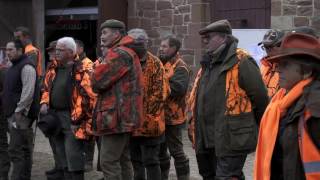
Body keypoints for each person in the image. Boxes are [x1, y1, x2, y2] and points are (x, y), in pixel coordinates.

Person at [188, 19, 269, 180]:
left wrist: (261, 129)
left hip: (232, 137)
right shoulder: (207, 62)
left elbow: (260, 98)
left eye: (208, 37)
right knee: (209, 175)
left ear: (224, 38)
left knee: (227, 176)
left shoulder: (242, 61)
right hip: (205, 137)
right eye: (203, 38)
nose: (204, 41)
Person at [254, 33, 320, 180]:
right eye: (278, 65)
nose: (278, 70)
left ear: (307, 71)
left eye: (285, 65)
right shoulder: (282, 101)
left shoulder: (314, 107)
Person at [92, 19, 144, 180]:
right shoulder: (127, 51)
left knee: (108, 161)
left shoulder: (119, 53)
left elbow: (97, 81)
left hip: (116, 116)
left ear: (117, 34)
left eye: (105, 32)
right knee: (122, 159)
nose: (102, 36)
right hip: (123, 115)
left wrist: (94, 72)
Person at [40, 37, 96, 180]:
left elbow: (86, 97)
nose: (56, 52)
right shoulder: (53, 67)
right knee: (60, 154)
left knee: (74, 156)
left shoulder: (82, 68)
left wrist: (75, 120)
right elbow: (46, 88)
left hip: (72, 118)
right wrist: (44, 102)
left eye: (60, 50)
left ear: (71, 52)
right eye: (56, 49)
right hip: (55, 116)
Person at [127, 28, 169, 180]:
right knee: (135, 161)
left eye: (137, 43)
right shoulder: (127, 61)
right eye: (130, 43)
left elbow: (160, 93)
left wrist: (142, 114)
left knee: (151, 161)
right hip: (130, 122)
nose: (133, 46)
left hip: (151, 123)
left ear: (145, 44)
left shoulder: (155, 63)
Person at [3, 39, 37, 180]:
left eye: (10, 49)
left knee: (18, 149)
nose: (7, 52)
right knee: (21, 149)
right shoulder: (14, 66)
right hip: (13, 113)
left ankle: (19, 177)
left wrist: (19, 110)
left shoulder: (27, 67)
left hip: (21, 115)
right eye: (7, 49)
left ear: (19, 50)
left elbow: (28, 92)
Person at [158, 36, 191, 180]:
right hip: (159, 116)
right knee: (160, 151)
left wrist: (158, 86)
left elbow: (179, 88)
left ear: (174, 48)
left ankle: (183, 177)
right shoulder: (160, 64)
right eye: (161, 45)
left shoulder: (181, 66)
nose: (161, 48)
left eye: (164, 46)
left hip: (174, 117)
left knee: (176, 151)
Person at [75, 39, 95, 172]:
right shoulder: (73, 64)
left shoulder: (87, 64)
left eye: (74, 48)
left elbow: (88, 88)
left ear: (81, 49)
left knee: (88, 134)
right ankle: (79, 160)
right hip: (75, 103)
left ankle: (88, 161)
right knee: (78, 133)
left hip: (86, 103)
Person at [259, 29, 285, 97]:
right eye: (265, 47)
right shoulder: (264, 64)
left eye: (270, 47)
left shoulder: (288, 67)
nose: (267, 51)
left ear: (282, 45)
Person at [0, 60, 9, 180]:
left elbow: (6, 92)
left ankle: (3, 173)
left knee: (1, 145)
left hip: (1, 113)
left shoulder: (2, 72)